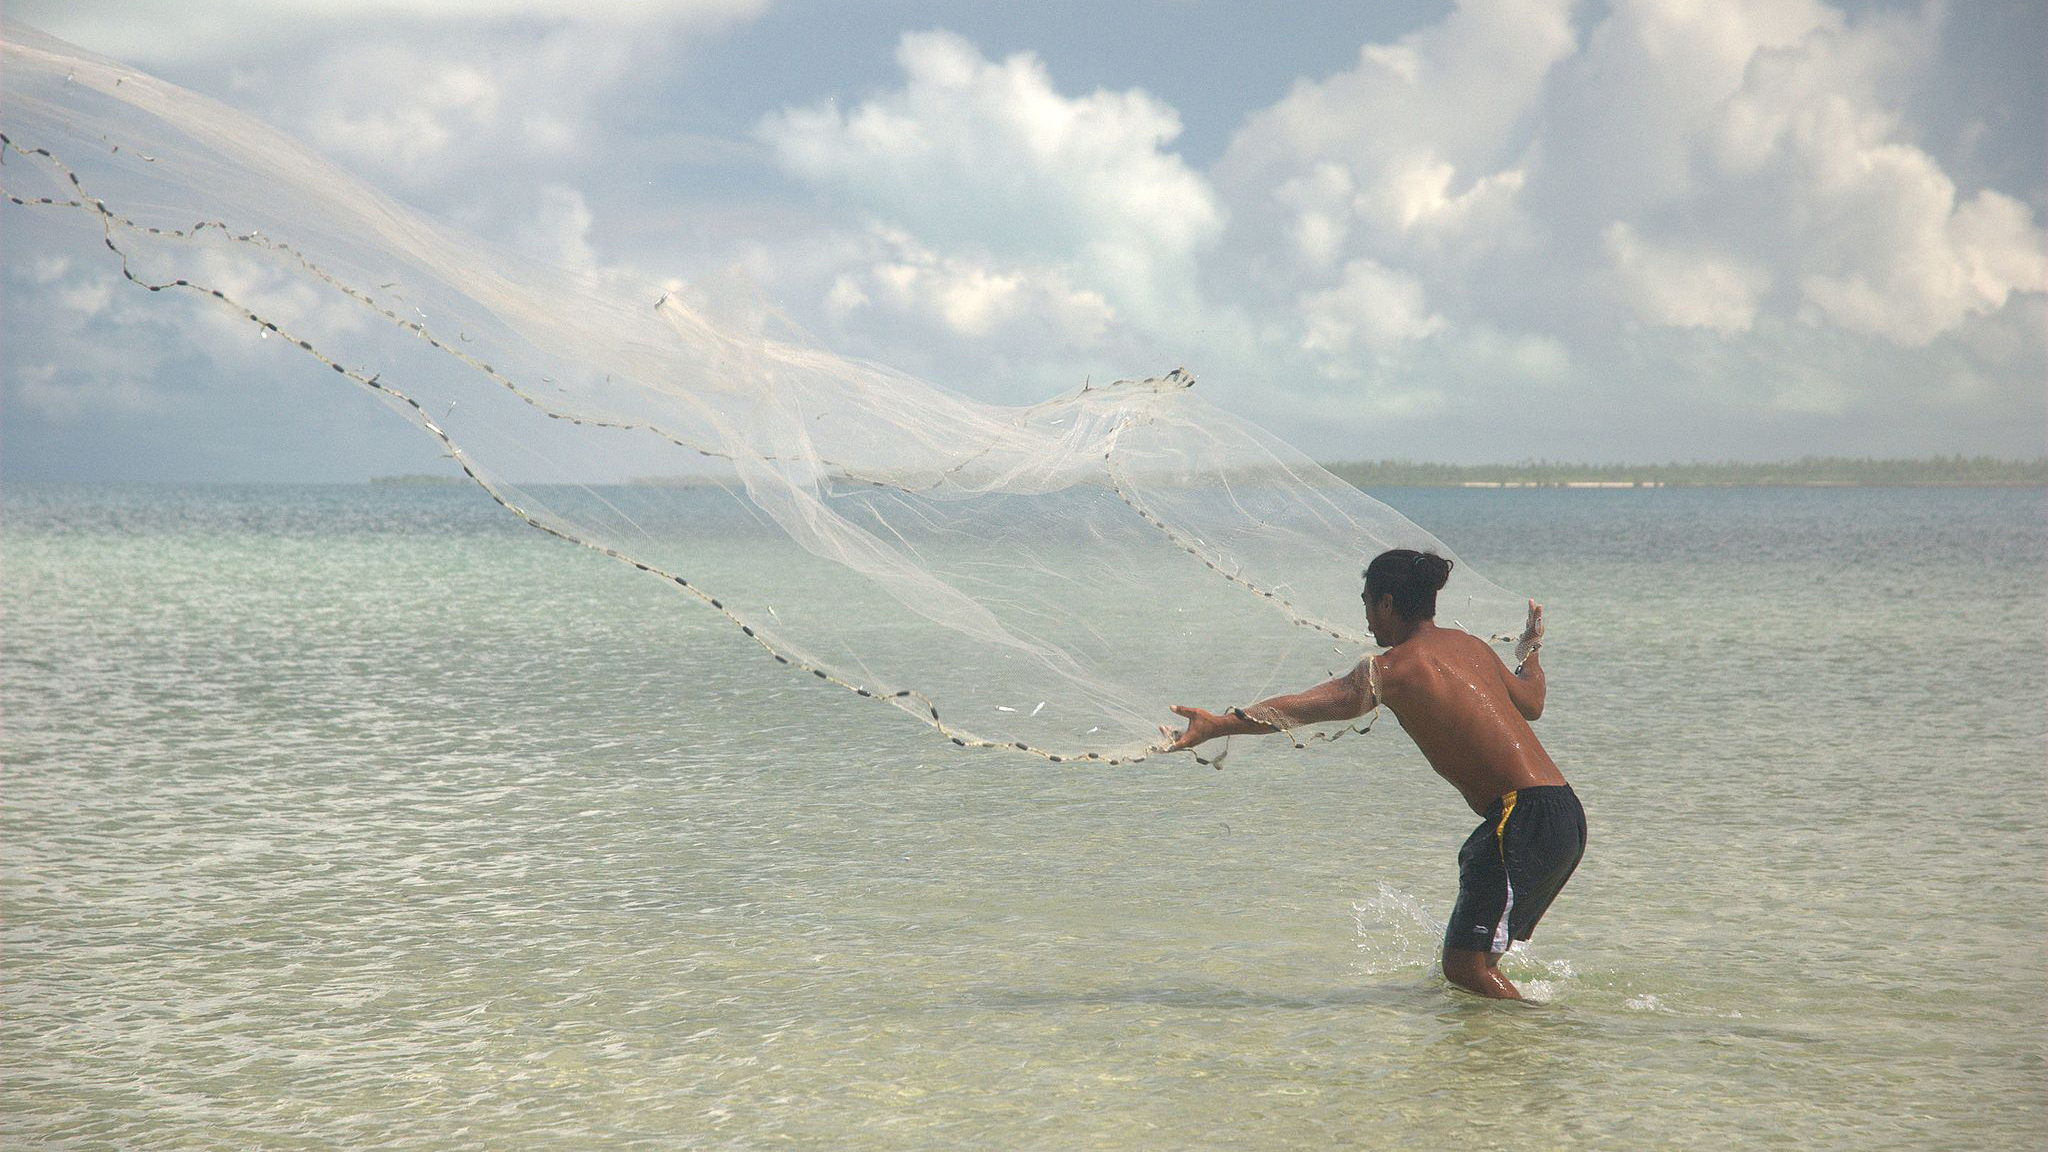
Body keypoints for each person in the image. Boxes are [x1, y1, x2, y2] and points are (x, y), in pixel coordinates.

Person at [1162, 549, 1584, 1000]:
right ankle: (1497, 1055)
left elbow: (1305, 707)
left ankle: (1540, 1042)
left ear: (1385, 603)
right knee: (1475, 960)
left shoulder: (1393, 670)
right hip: (1562, 812)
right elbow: (1532, 702)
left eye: (1365, 602)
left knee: (1464, 968)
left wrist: (1220, 725)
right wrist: (1531, 650)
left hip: (1521, 820)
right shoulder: (1472, 647)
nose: (1365, 618)